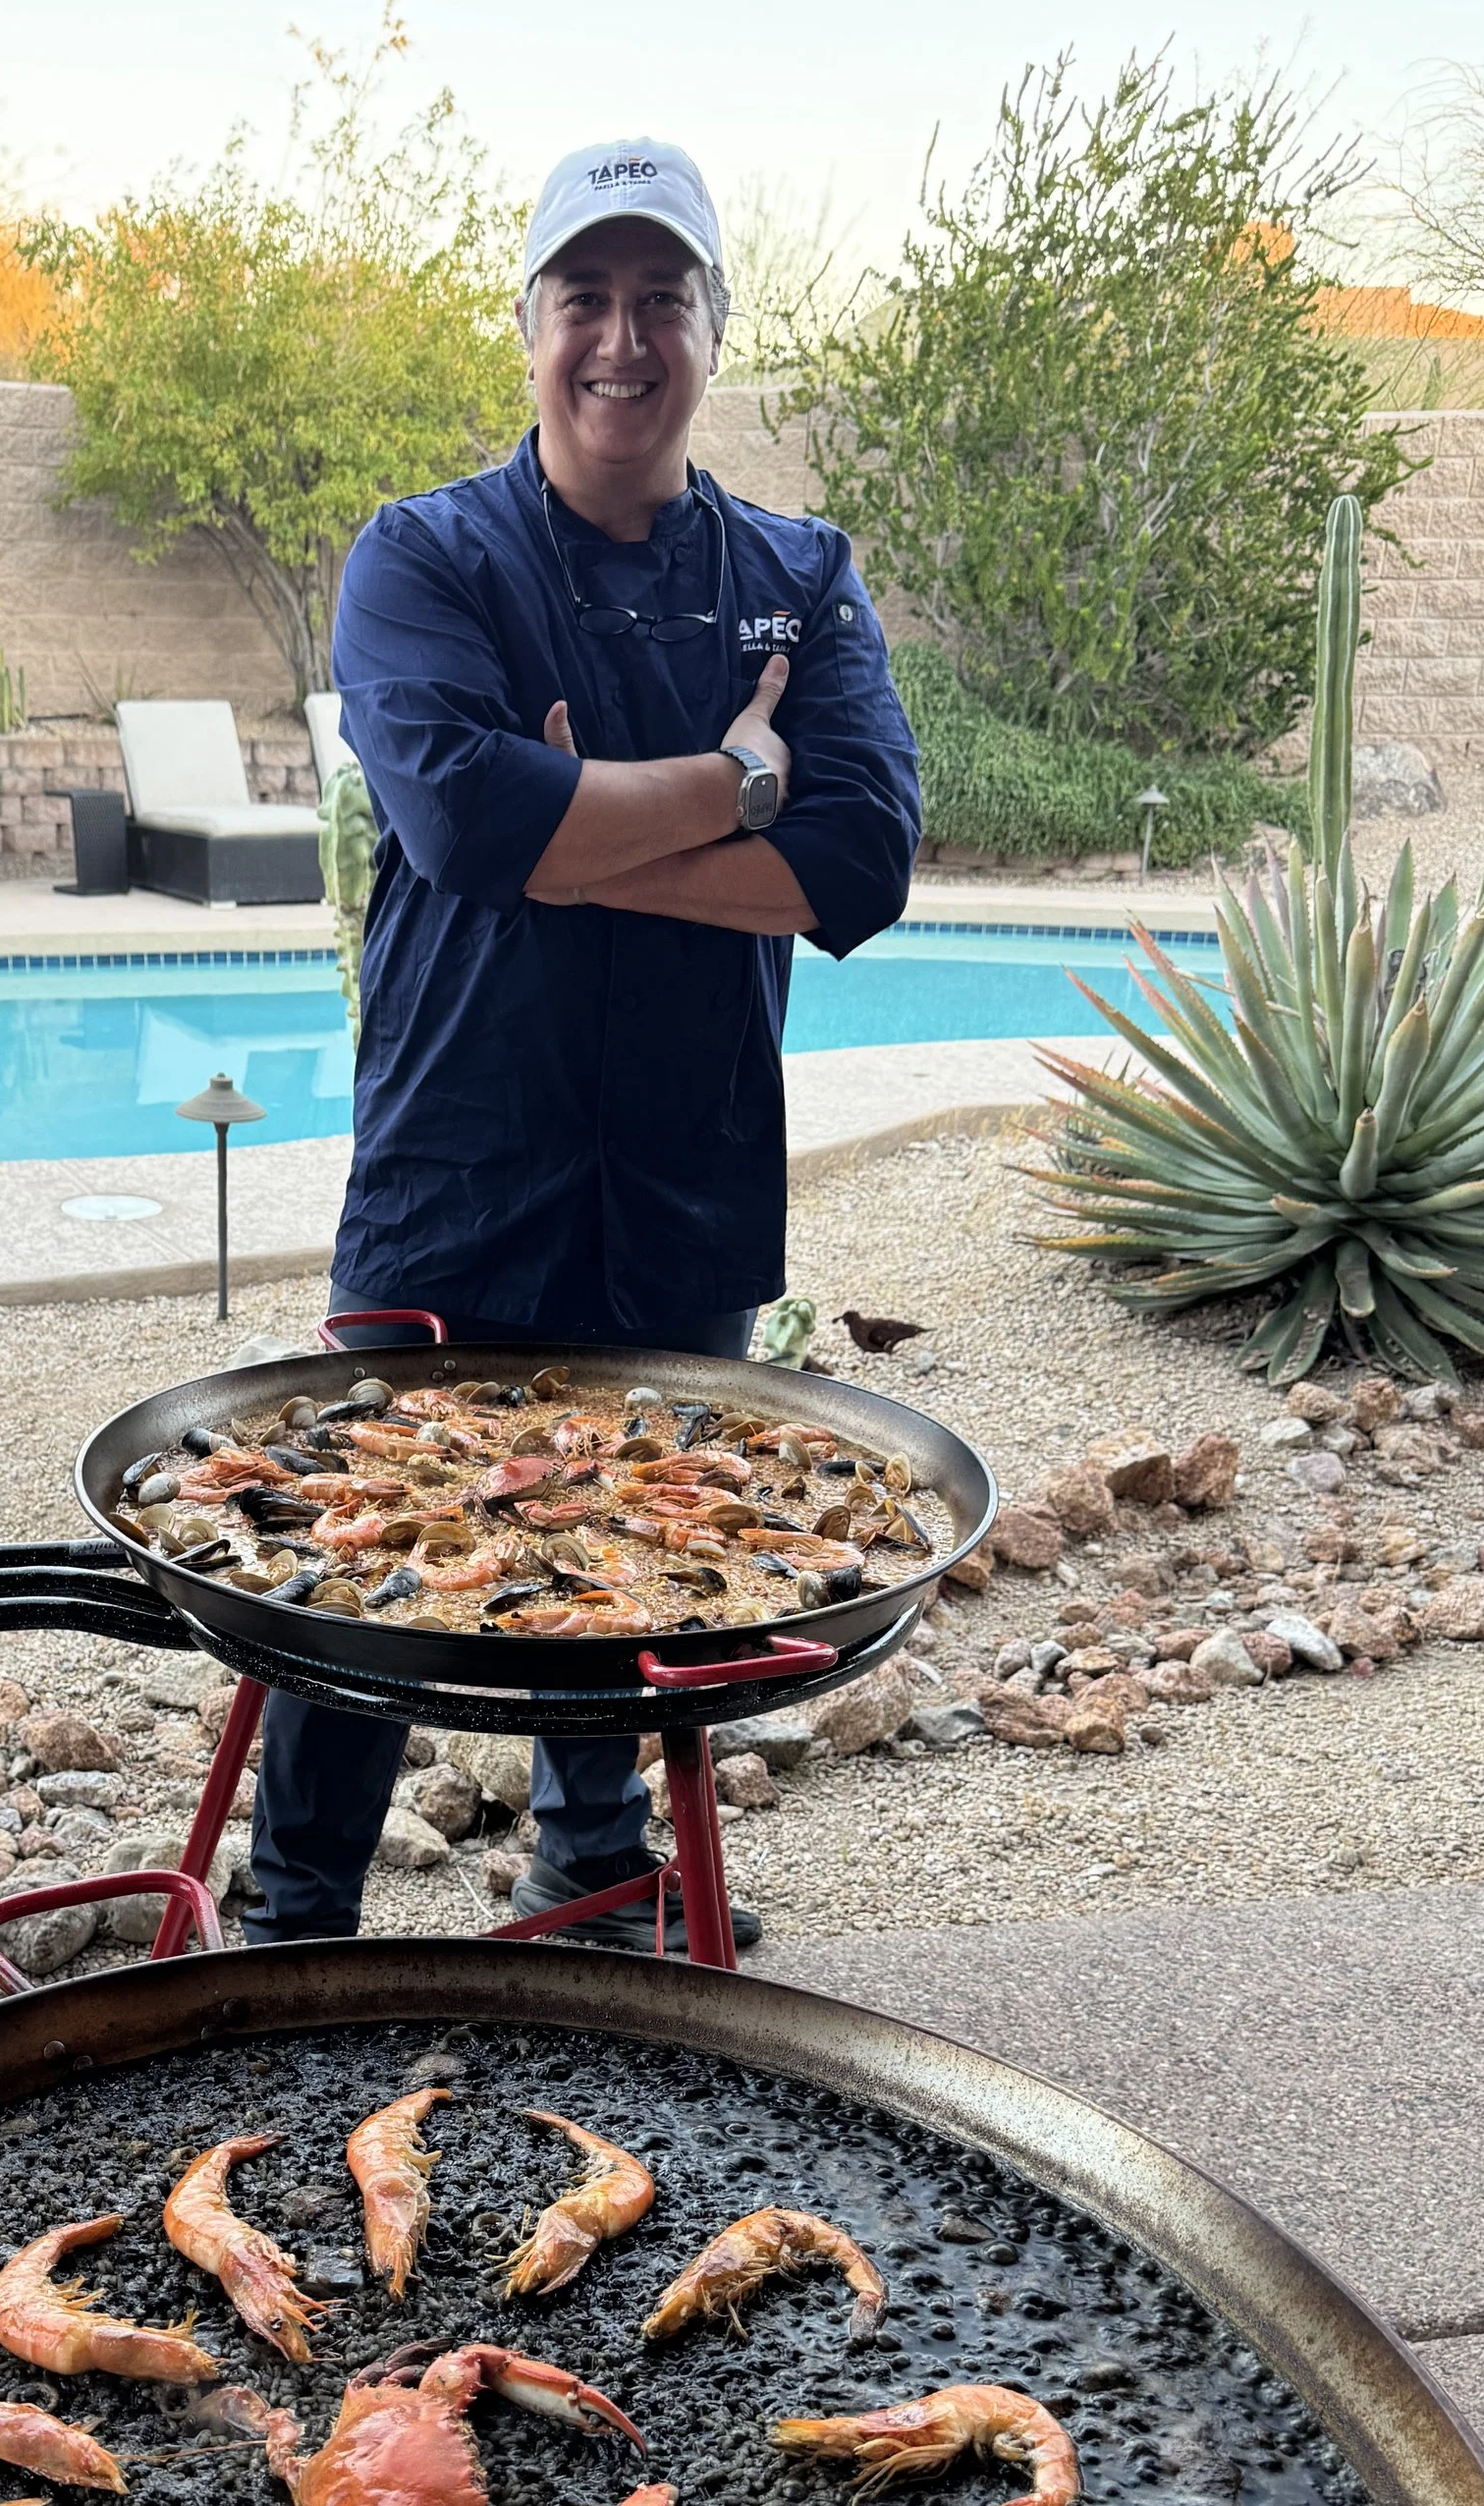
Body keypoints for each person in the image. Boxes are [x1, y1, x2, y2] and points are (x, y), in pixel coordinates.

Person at [247, 135, 920, 1953]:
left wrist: (591, 834)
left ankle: (596, 1881)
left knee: (649, 1556)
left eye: (662, 298)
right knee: (360, 1557)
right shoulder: (425, 559)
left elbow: (862, 862)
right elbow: (470, 828)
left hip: (686, 1163)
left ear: (712, 326)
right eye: (585, 298)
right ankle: (294, 1916)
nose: (622, 339)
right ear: (530, 325)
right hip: (458, 1162)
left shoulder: (800, 573)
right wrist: (736, 783)